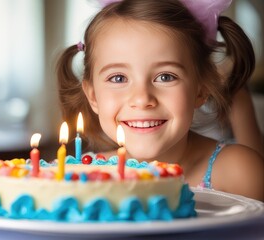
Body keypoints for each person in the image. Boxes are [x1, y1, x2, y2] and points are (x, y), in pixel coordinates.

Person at [56, 0, 263, 201]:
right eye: (118, 78)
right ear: (92, 96)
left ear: (201, 90)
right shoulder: (78, 178)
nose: (142, 99)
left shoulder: (239, 172)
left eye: (165, 77)